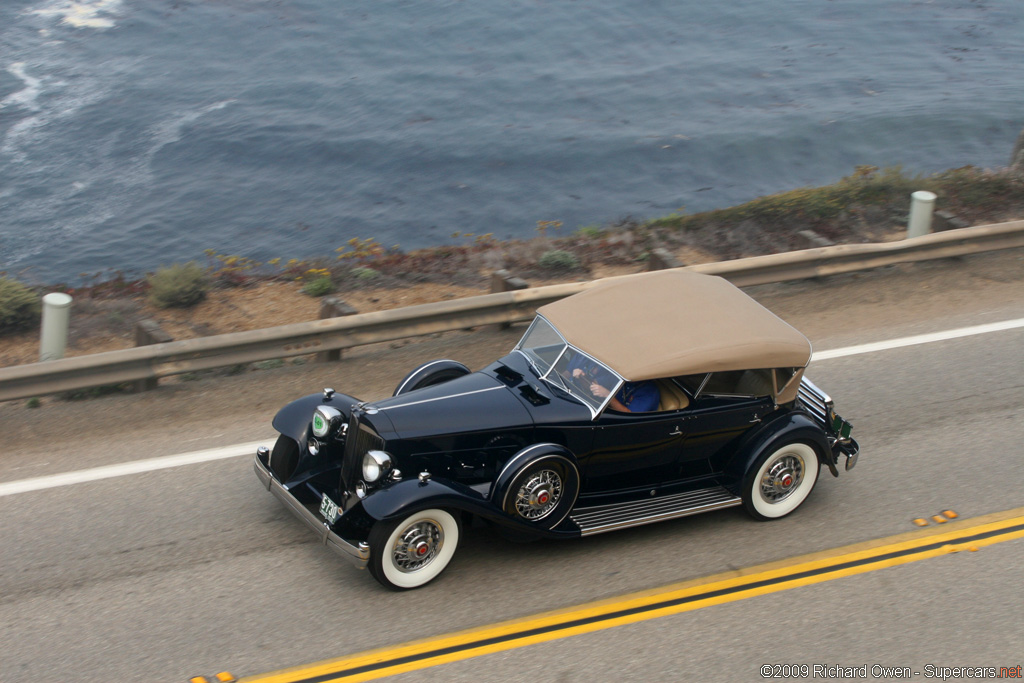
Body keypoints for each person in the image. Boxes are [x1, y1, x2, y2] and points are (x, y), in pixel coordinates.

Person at [571, 367, 659, 413]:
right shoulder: (621, 376)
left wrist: (609, 396)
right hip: (604, 409)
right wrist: (582, 377)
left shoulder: (649, 391)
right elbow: (593, 385)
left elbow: (629, 416)